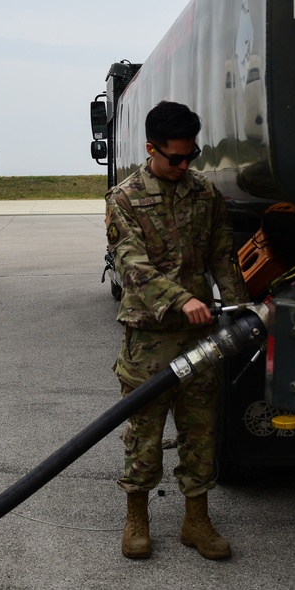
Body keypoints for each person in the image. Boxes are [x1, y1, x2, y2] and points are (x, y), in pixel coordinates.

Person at [105, 100, 248, 561]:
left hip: (199, 338)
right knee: (144, 432)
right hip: (149, 338)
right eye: (176, 158)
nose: (185, 165)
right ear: (151, 149)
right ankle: (137, 519)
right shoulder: (124, 199)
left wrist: (240, 307)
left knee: (200, 428)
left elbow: (223, 256)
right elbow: (132, 266)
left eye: (192, 156)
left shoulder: (205, 194)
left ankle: (196, 521)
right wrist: (181, 299)